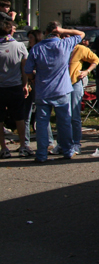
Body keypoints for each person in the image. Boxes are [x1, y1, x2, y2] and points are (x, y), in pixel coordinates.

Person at [24, 22, 84, 162]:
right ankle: (68, 150)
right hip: (61, 89)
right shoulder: (64, 44)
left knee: (42, 124)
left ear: (46, 32)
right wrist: (63, 30)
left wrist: (32, 79)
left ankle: (41, 154)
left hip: (43, 90)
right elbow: (81, 34)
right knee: (64, 122)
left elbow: (28, 70)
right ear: (59, 32)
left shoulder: (37, 48)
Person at [0, 20, 29, 158]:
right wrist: (25, 84)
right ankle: (23, 145)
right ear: (11, 31)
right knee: (19, 117)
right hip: (15, 86)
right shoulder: (19, 46)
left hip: (1, 87)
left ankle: (3, 147)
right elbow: (24, 67)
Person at [66, 31, 99, 153]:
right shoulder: (61, 49)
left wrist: (86, 71)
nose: (66, 40)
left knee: (74, 115)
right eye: (63, 37)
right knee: (64, 115)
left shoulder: (80, 49)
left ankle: (76, 143)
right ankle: (63, 143)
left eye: (68, 37)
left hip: (74, 83)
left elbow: (95, 60)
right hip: (62, 85)